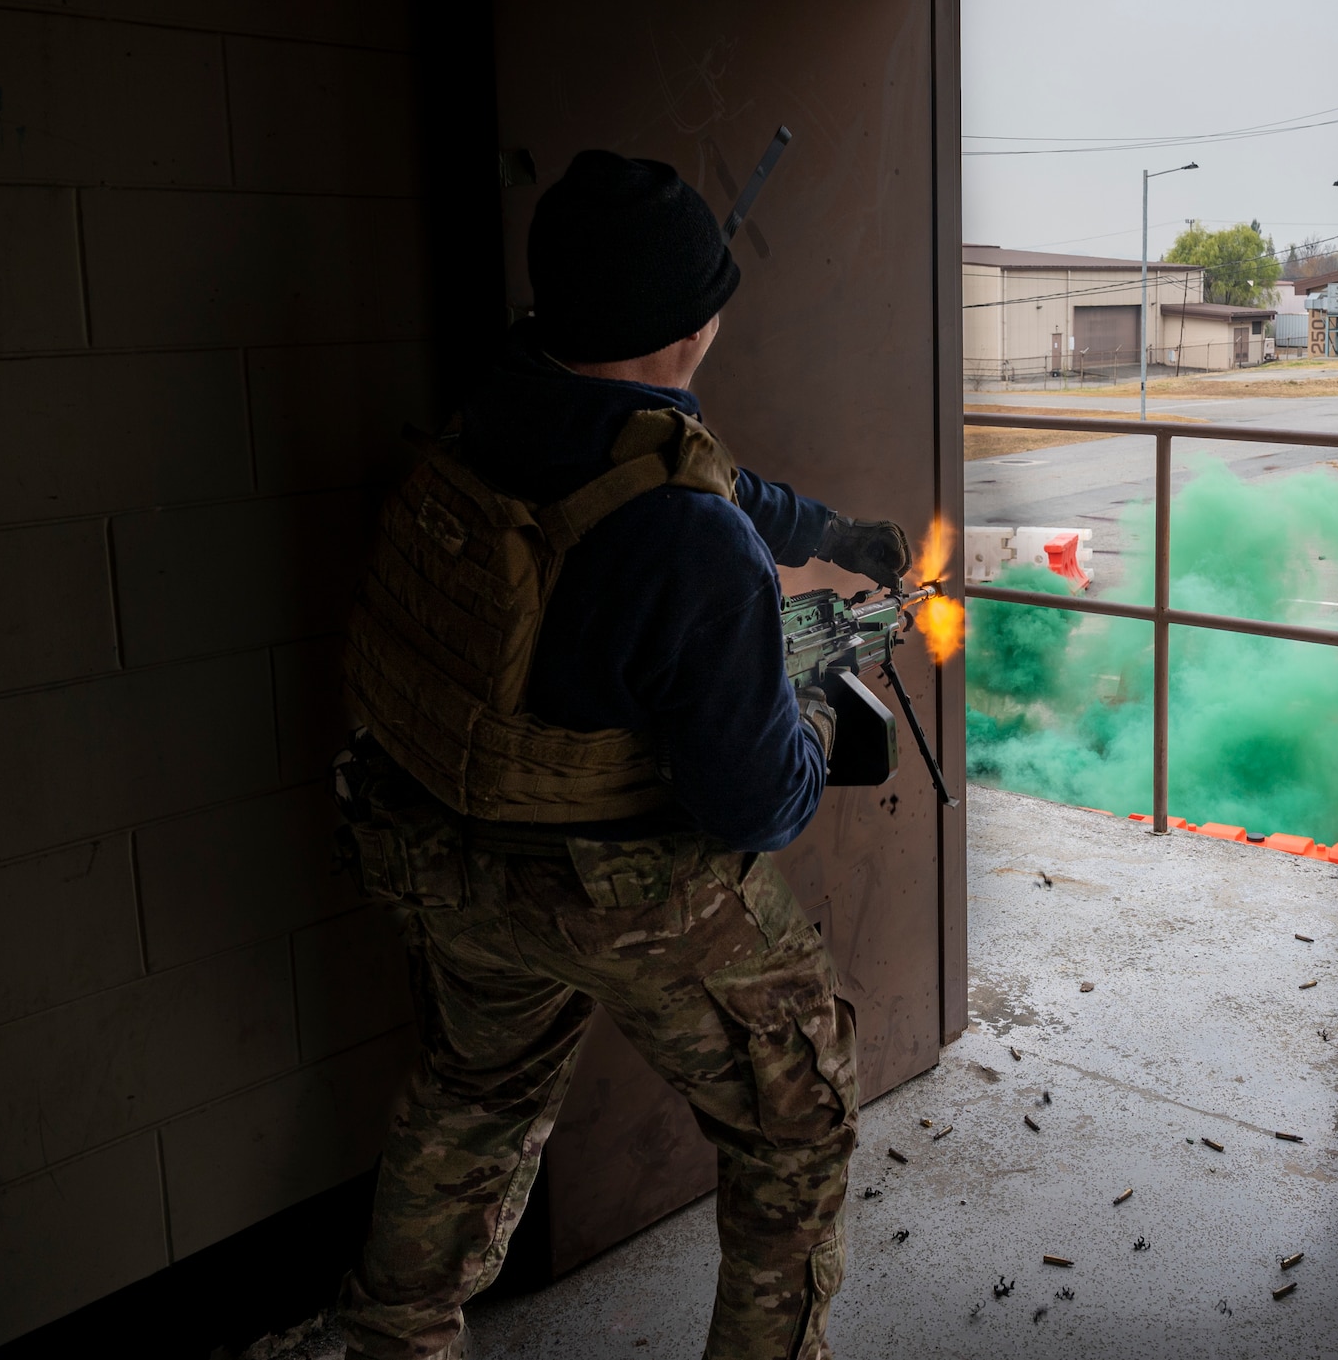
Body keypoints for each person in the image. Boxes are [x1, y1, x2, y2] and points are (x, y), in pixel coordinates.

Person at [333, 150, 912, 1360]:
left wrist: (827, 533)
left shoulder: (491, 406)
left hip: (446, 855)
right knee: (794, 1120)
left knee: (473, 1100)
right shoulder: (693, 547)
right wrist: (809, 710)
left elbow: (682, 472)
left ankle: (394, 1340)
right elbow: (754, 804)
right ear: (698, 326)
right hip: (620, 893)